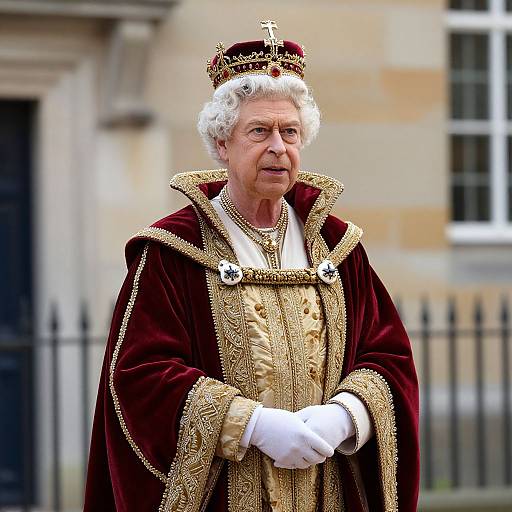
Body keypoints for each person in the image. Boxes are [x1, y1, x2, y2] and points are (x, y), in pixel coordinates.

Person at [84, 21, 419, 512]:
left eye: (290, 132)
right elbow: (138, 374)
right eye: (259, 131)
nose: (278, 148)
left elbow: (389, 357)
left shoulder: (338, 247)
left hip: (328, 490)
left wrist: (346, 417)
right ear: (223, 144)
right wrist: (253, 425)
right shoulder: (173, 251)